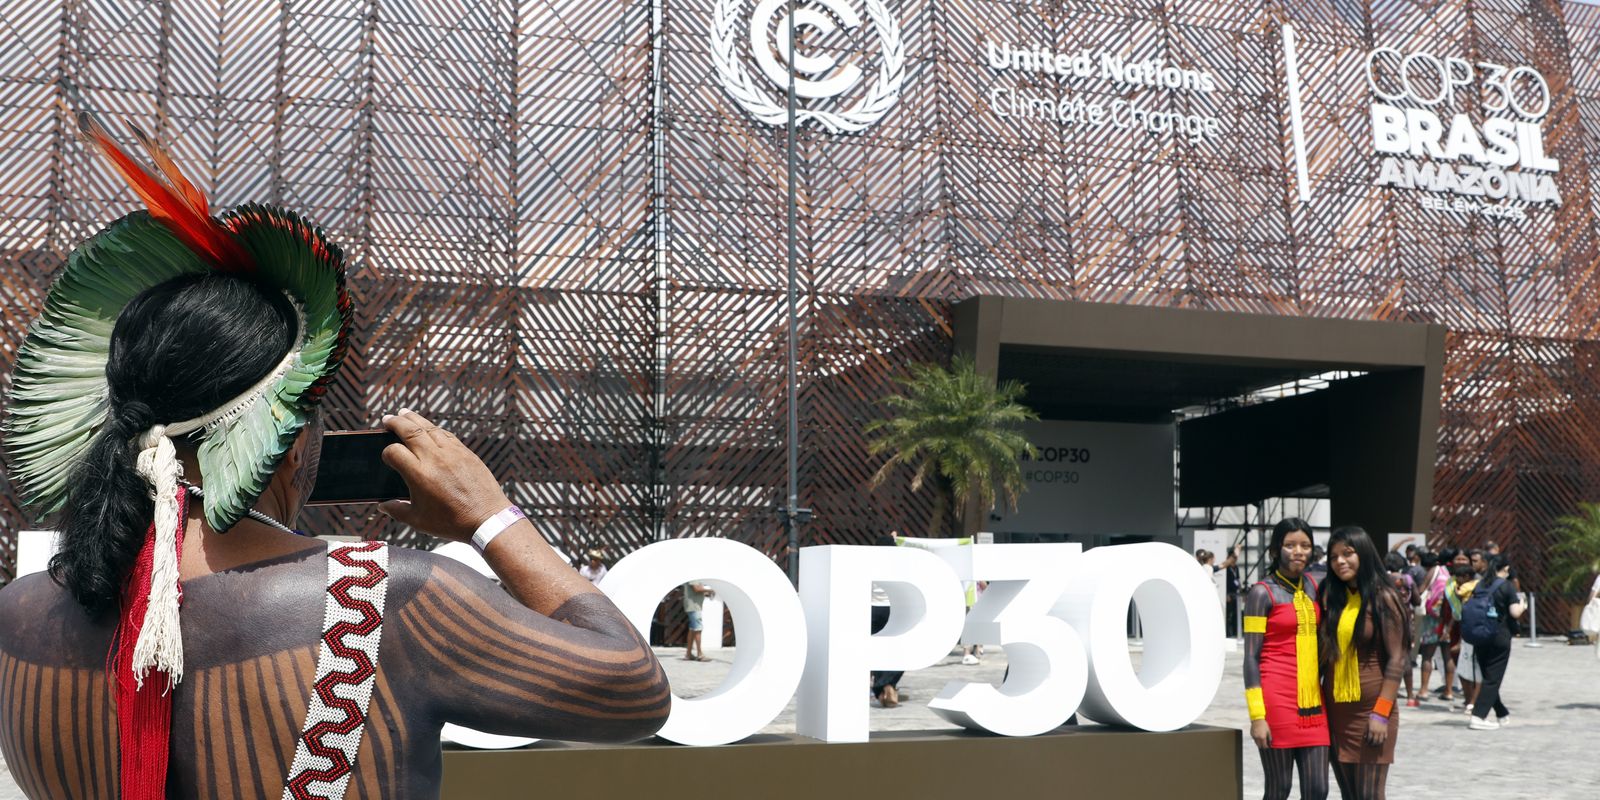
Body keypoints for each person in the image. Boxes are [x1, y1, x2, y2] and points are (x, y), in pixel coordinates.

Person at [0, 120, 669, 800]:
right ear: (290, 445)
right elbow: (635, 689)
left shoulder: (21, 615)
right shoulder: (380, 601)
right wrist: (490, 516)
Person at [1243, 518, 1330, 800]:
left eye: (1305, 545)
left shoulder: (1315, 587)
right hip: (1276, 700)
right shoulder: (1261, 593)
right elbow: (1251, 657)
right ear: (1274, 551)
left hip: (1313, 701)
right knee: (1279, 789)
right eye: (1290, 545)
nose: (1298, 551)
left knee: (1318, 789)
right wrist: (1257, 716)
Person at [1320, 527, 1408, 800]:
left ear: (1364, 553)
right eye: (1334, 557)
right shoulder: (1333, 597)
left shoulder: (1383, 597)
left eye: (1348, 553)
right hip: (1336, 712)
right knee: (1349, 795)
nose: (1340, 561)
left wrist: (1381, 713)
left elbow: (1397, 659)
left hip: (1372, 713)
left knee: (1370, 795)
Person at [1466, 555, 1526, 730]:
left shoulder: (1480, 584)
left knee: (1488, 676)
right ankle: (1478, 716)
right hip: (1499, 635)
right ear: (1505, 568)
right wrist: (1522, 604)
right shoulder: (1506, 586)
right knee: (1493, 678)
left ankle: (1501, 712)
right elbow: (1514, 612)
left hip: (1479, 634)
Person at [870, 534, 905, 706]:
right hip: (893, 609)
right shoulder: (898, 565)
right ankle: (887, 685)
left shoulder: (870, 563)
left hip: (872, 609)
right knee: (897, 647)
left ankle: (881, 687)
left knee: (876, 649)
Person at [1383, 552, 1418, 706]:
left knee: (1388, 655)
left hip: (1386, 620)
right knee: (1405, 657)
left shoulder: (1383, 578)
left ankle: (1390, 692)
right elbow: (1417, 600)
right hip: (1405, 620)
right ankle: (1410, 696)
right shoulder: (1407, 579)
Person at [1415, 549, 1449, 703]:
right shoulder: (1448, 572)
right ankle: (1449, 690)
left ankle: (1423, 690)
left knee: (1427, 655)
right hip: (1447, 618)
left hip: (1432, 618)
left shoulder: (1433, 571)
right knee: (1447, 655)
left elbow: (1421, 589)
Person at [682, 580, 715, 661]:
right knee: (698, 629)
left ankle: (688, 654)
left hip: (693, 605)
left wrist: (705, 593)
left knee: (692, 629)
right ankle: (700, 655)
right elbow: (696, 588)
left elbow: (695, 591)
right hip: (694, 606)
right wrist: (712, 590)